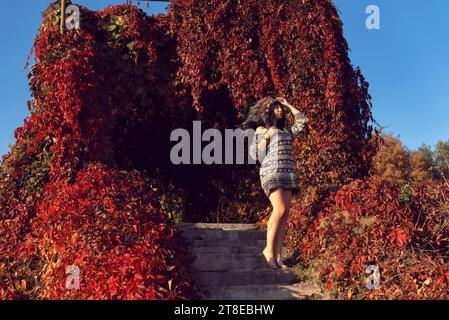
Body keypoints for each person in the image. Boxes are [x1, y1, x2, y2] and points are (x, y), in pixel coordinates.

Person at [242, 96, 309, 269]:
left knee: (285, 213)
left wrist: (288, 104)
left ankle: (278, 257)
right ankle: (268, 251)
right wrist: (266, 137)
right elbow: (254, 154)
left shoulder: (287, 131)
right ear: (269, 111)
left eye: (281, 108)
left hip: (288, 172)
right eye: (277, 108)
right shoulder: (261, 130)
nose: (280, 110)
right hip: (271, 171)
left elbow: (303, 120)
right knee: (279, 210)